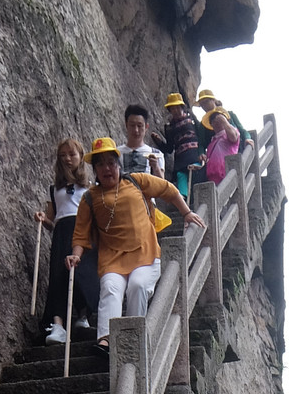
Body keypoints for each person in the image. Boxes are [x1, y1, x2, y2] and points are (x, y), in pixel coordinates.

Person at [67, 136, 205, 355]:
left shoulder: (136, 181)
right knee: (111, 289)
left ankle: (132, 338)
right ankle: (106, 340)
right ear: (94, 170)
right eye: (100, 164)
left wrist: (186, 212)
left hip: (145, 253)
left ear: (118, 164)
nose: (106, 168)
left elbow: (167, 189)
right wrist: (76, 255)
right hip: (112, 258)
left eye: (110, 162)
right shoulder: (89, 198)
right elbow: (80, 234)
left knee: (138, 287)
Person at [34, 138, 100, 343]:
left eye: (72, 154)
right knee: (58, 274)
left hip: (84, 231)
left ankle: (83, 314)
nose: (67, 159)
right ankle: (58, 324)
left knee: (83, 272)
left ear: (81, 157)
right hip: (62, 232)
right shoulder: (54, 190)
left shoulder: (91, 188)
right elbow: (52, 219)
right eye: (63, 156)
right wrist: (43, 219)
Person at [161, 93, 203, 201]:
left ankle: (199, 199)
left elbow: (201, 136)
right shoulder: (169, 127)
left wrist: (202, 153)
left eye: (177, 108)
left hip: (194, 154)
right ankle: (183, 198)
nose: (175, 111)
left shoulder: (192, 119)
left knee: (196, 174)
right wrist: (158, 141)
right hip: (180, 158)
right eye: (172, 109)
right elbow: (169, 148)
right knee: (181, 175)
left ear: (182, 107)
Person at [120, 103, 165, 177]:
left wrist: (156, 167)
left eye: (139, 126)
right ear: (126, 125)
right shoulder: (116, 154)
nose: (136, 130)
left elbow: (162, 185)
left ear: (146, 127)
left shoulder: (156, 154)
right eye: (132, 125)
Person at [201, 109, 241, 184]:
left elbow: (233, 137)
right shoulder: (211, 143)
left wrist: (224, 121)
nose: (216, 123)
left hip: (227, 175)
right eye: (213, 121)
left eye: (218, 119)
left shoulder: (230, 133)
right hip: (212, 178)